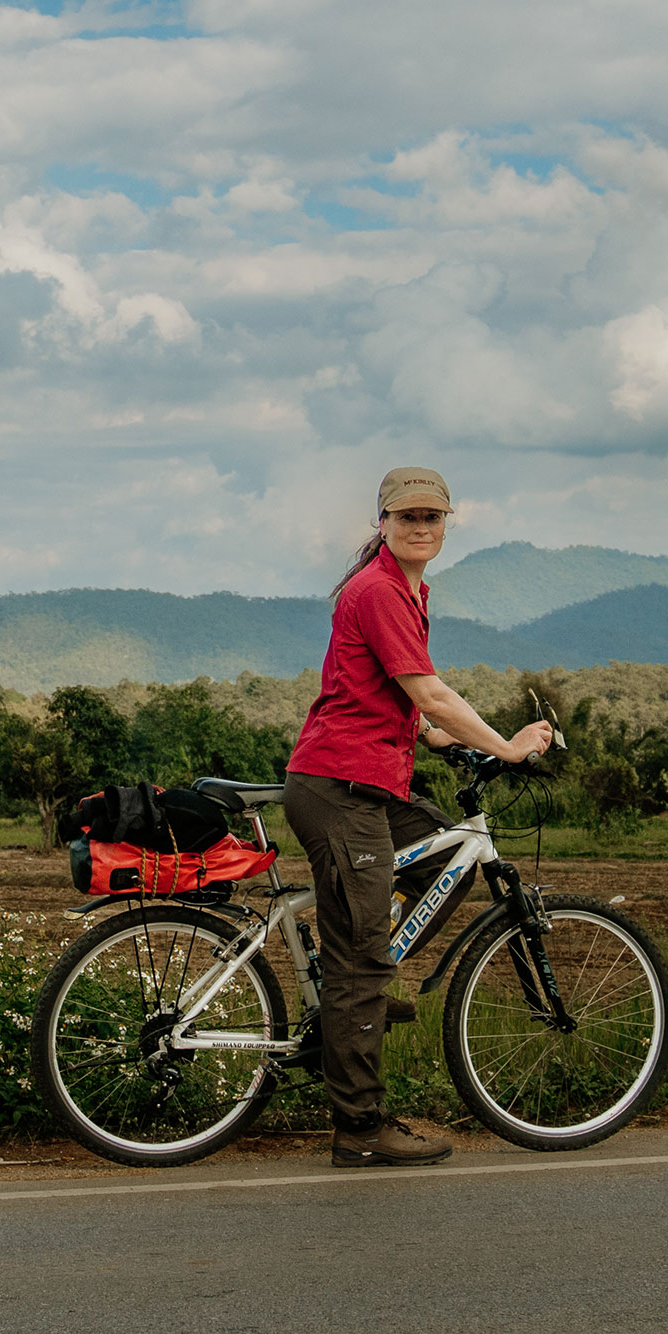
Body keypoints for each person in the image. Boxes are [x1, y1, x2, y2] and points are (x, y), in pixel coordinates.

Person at [284, 466, 553, 1169]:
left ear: (446, 525)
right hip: (339, 787)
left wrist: (438, 738)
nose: (421, 527)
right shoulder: (379, 589)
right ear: (382, 522)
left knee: (444, 854)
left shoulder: (408, 588)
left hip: (366, 780)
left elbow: (393, 698)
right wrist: (505, 747)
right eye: (407, 516)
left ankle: (361, 992)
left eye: (432, 517)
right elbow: (429, 692)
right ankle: (361, 1126)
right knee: (361, 961)